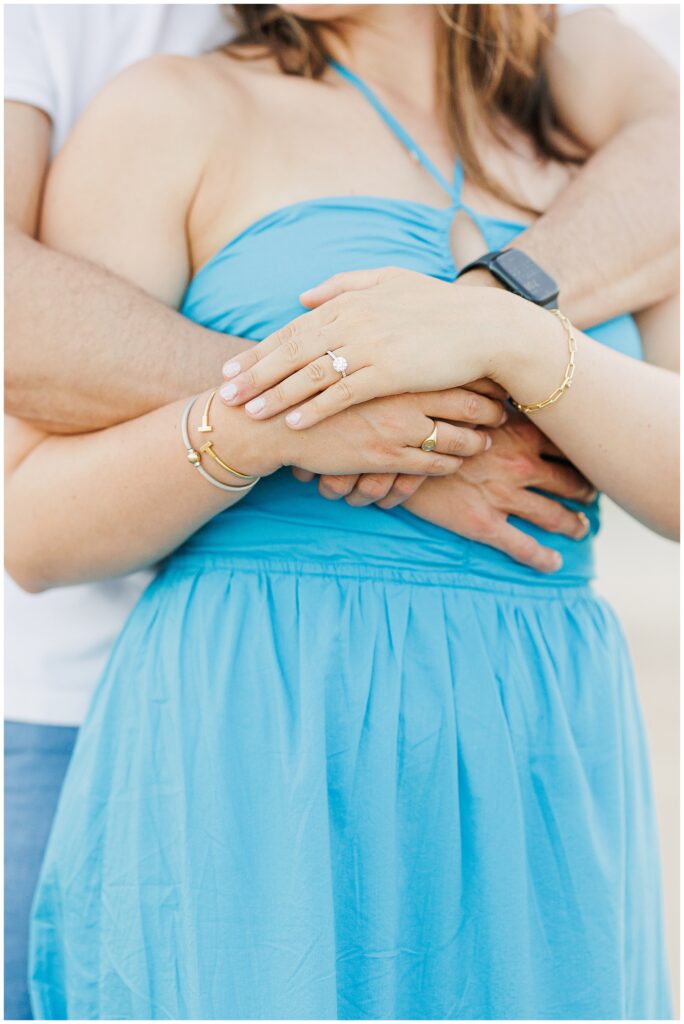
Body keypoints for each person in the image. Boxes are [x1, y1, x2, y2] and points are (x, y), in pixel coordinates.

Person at [4, 3, 677, 1019]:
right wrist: (276, 424)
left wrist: (516, 340)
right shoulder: (172, 110)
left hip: (535, 739)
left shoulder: (599, 147)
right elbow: (33, 530)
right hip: (254, 731)